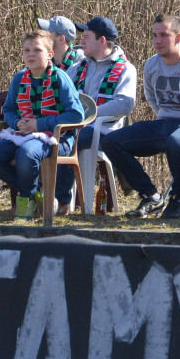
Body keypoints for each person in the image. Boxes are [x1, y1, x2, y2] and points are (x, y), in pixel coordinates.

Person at [0, 30, 84, 220]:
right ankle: (35, 193)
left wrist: (40, 124)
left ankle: (25, 203)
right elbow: (9, 109)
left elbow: (77, 115)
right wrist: (16, 122)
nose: (30, 54)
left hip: (56, 137)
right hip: (23, 134)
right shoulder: (19, 78)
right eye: (27, 50)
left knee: (27, 154)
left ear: (49, 54)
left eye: (36, 50)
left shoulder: (60, 78)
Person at [102, 14, 180, 219]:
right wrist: (164, 117)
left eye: (164, 35)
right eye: (154, 35)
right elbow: (153, 99)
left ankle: (179, 198)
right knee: (112, 141)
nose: (157, 41)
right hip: (163, 121)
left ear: (179, 38)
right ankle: (150, 196)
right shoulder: (151, 65)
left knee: (177, 143)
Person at [54, 16, 137, 213]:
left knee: (69, 139)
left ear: (101, 41)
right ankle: (37, 197)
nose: (81, 41)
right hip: (75, 128)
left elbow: (124, 105)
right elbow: (61, 99)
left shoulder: (125, 68)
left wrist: (90, 114)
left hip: (106, 132)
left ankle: (61, 200)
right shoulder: (77, 68)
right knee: (49, 137)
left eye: (87, 36)